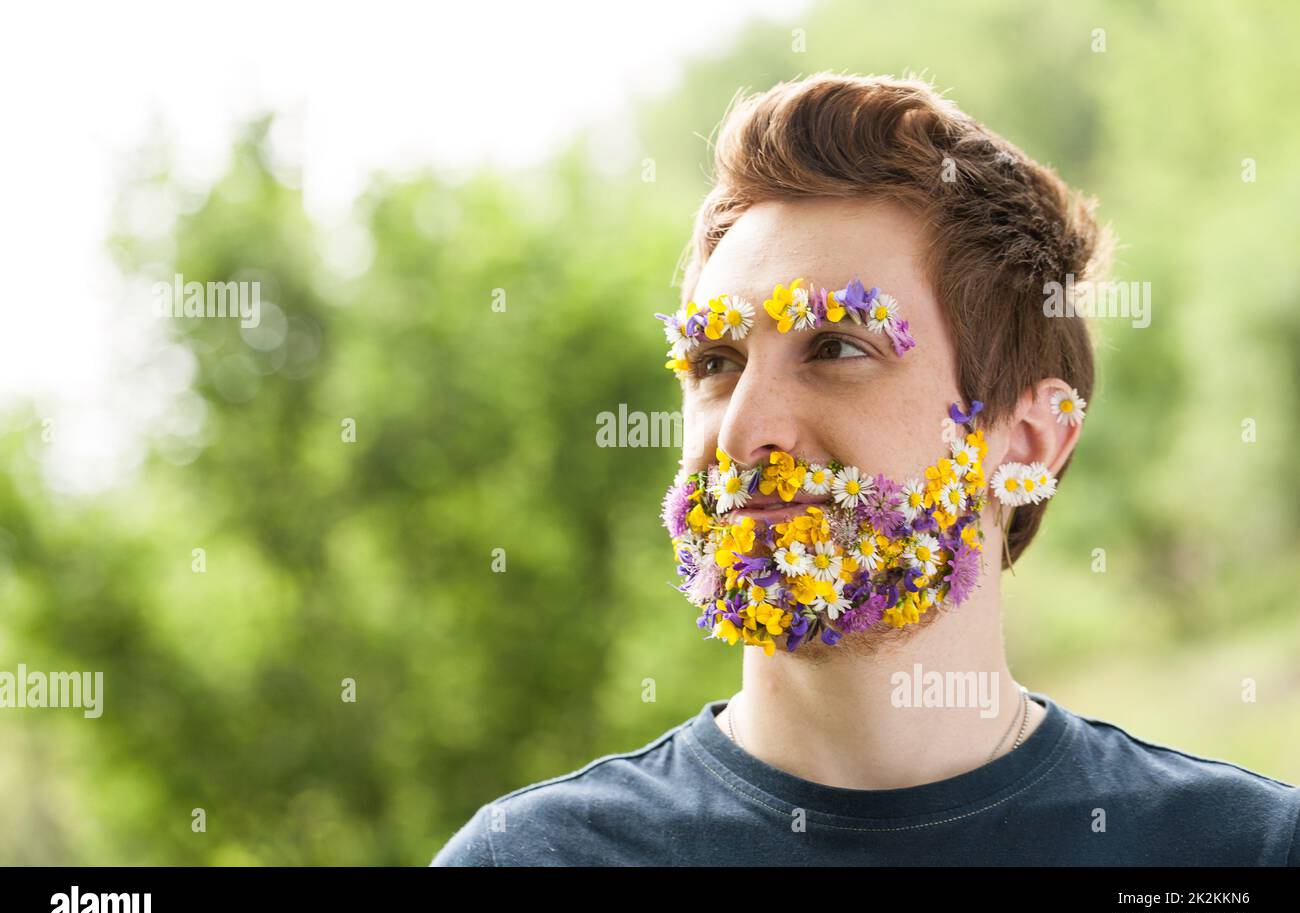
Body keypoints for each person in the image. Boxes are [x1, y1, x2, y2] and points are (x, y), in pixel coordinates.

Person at [430, 72, 1299, 866]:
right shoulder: (529, 860)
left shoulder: (1237, 856)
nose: (742, 433)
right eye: (716, 361)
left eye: (838, 347)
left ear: (1030, 442)